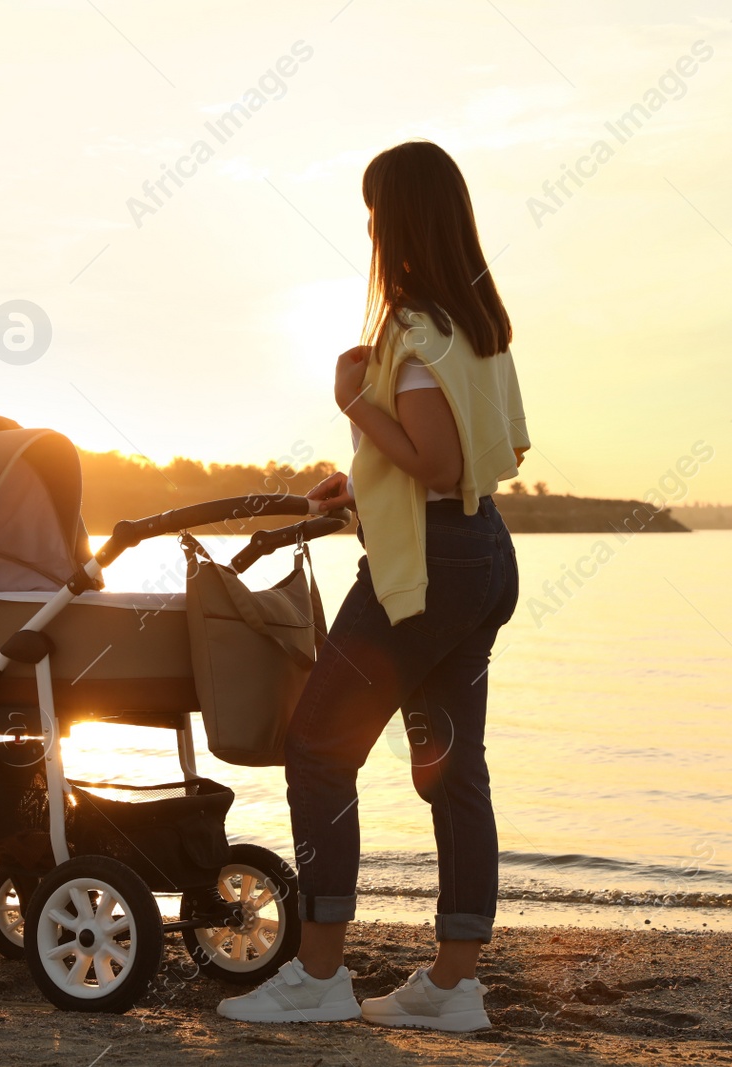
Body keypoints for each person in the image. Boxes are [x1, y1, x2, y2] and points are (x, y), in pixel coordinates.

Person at [218, 141, 529, 1031]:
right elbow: (473, 463)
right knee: (453, 768)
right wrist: (365, 491)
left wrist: (355, 402)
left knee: (319, 747)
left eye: (372, 214)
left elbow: (434, 455)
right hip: (481, 553)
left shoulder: (414, 332)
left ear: (397, 224)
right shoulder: (482, 329)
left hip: (425, 572)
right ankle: (453, 985)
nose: (368, 230)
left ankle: (318, 975)